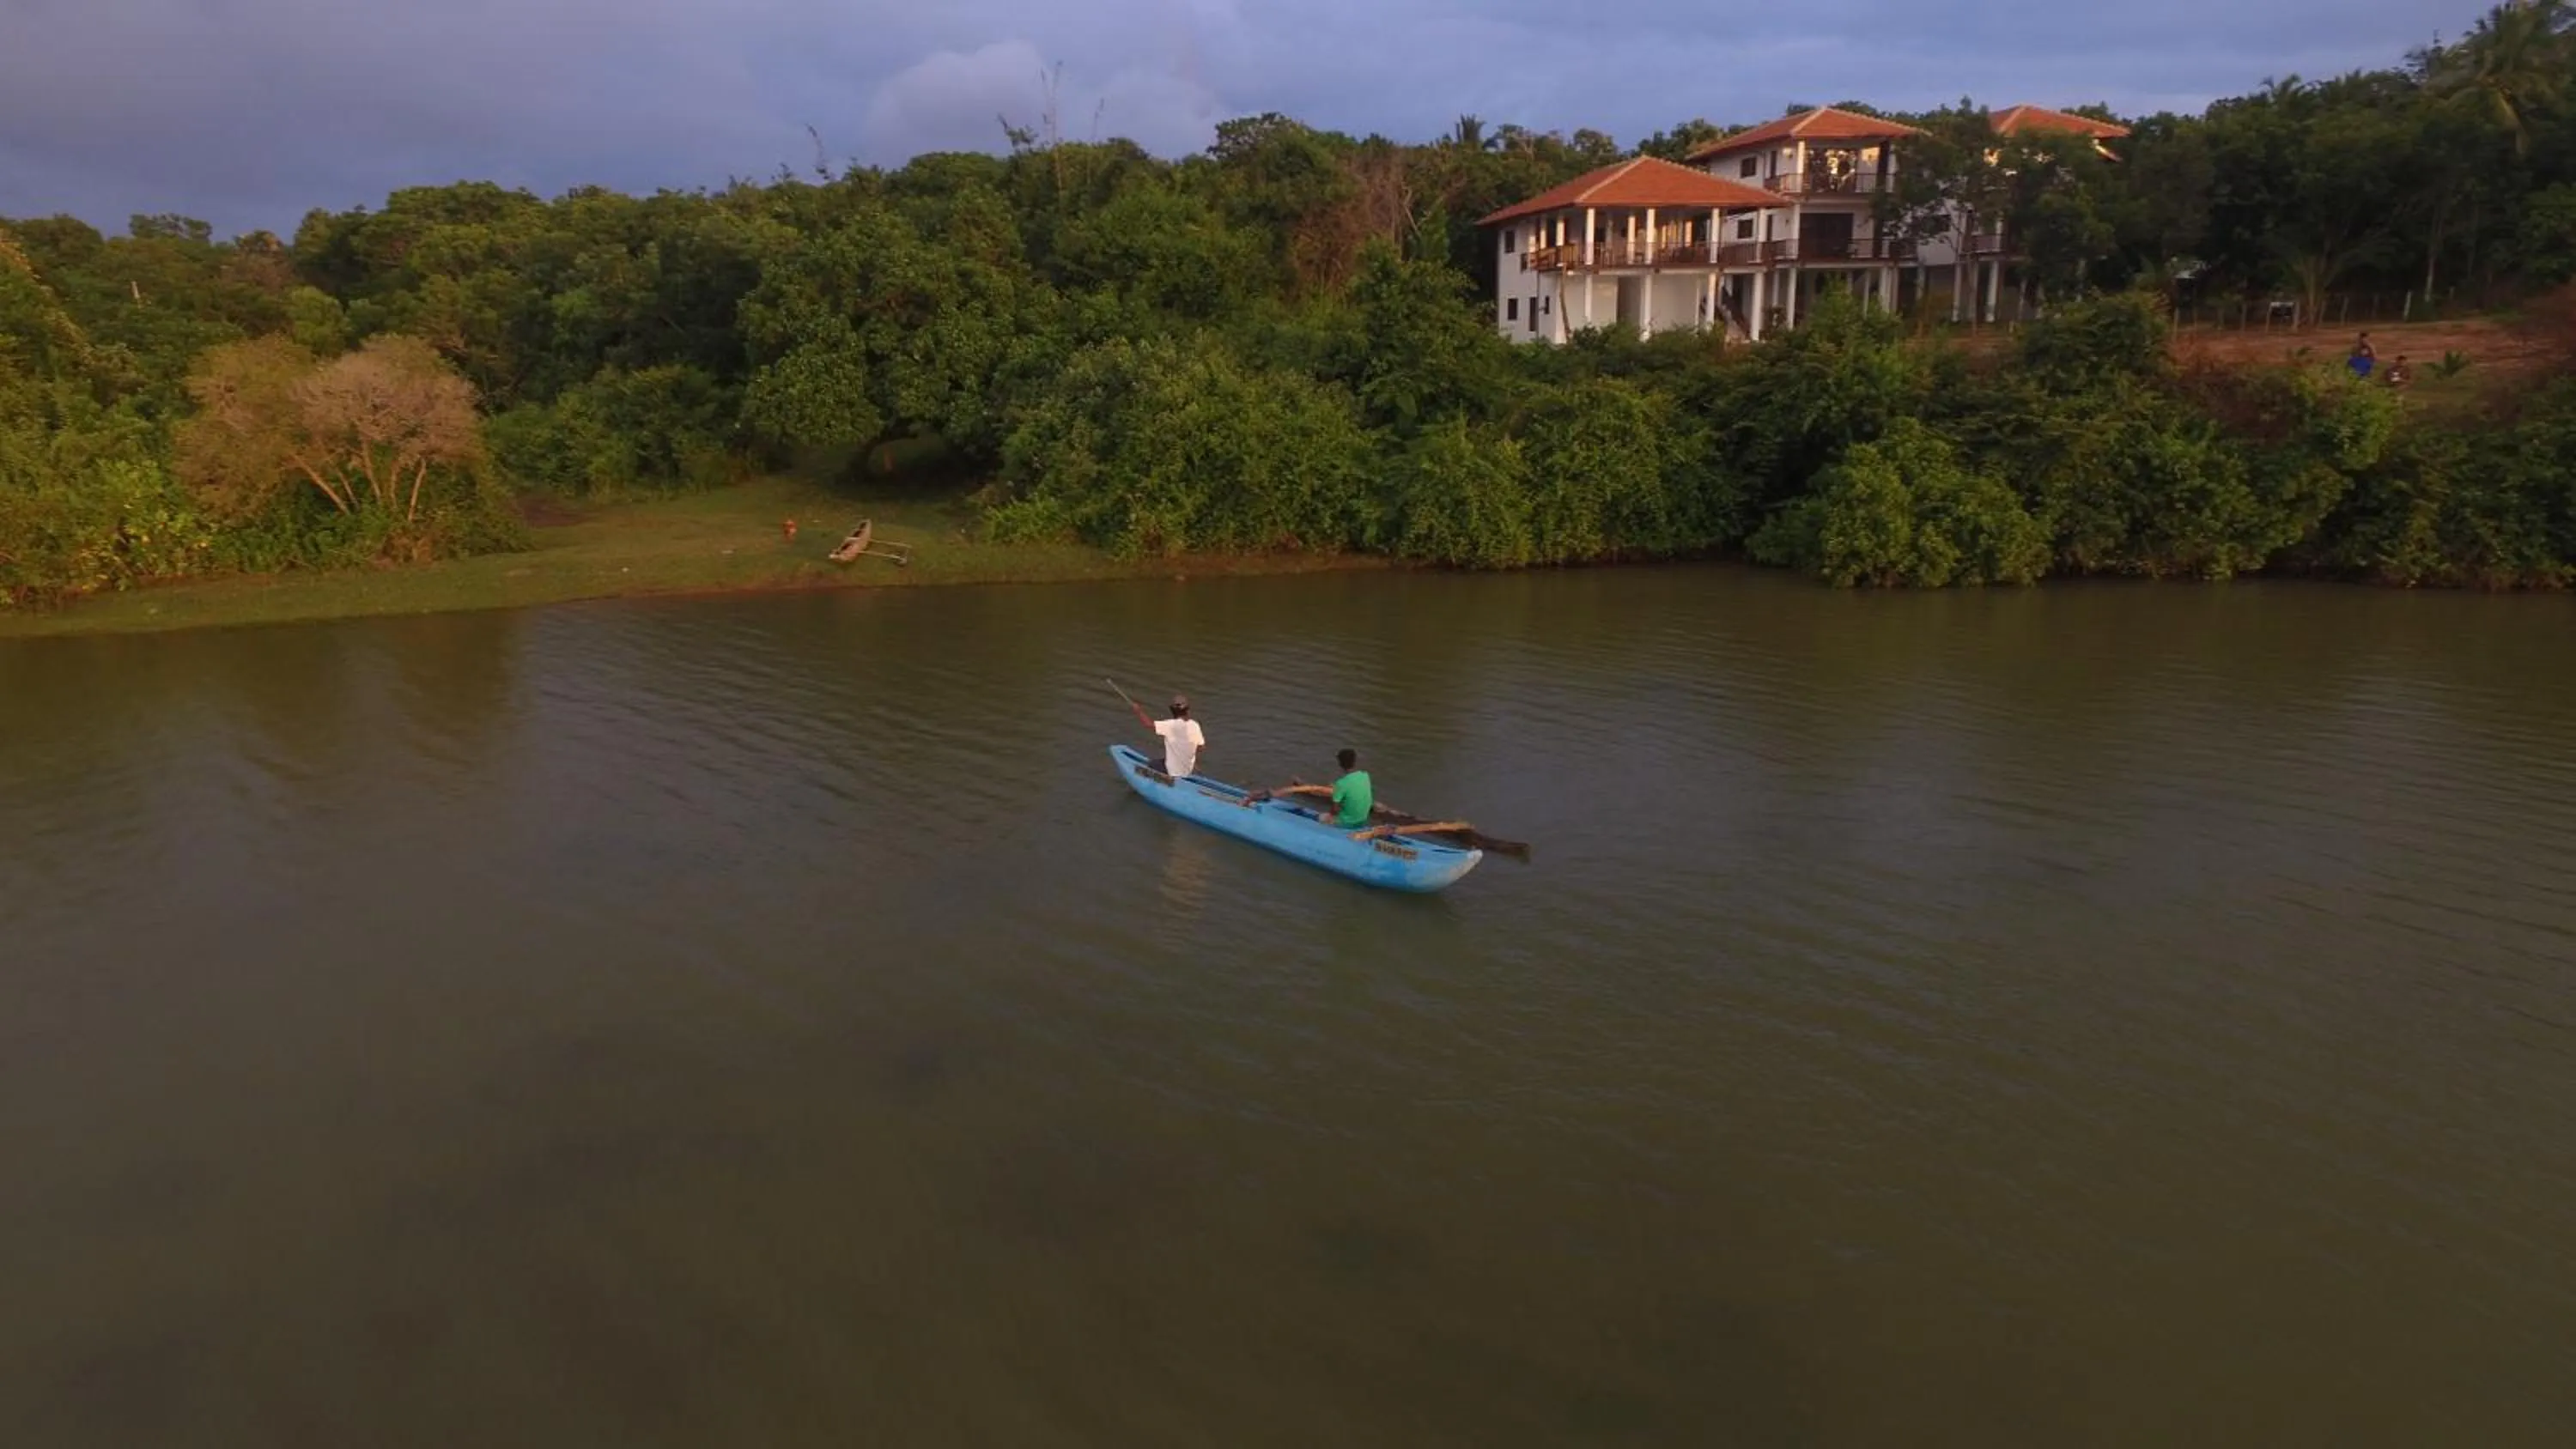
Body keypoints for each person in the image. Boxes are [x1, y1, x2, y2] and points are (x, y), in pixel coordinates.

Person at [1132, 694, 1204, 779]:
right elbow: (1201, 747)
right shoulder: (1195, 725)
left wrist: (1138, 711)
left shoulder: (1171, 725)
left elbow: (1148, 724)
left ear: (1172, 711)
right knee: (1165, 760)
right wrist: (1188, 755)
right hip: (1188, 770)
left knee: (1152, 764)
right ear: (1187, 710)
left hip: (1173, 771)